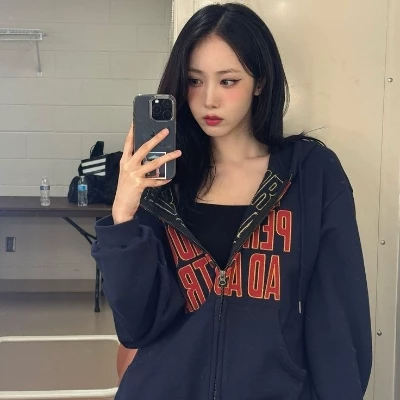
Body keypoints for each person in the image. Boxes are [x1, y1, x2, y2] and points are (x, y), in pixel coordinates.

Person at [91, 3, 372, 399]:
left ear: (260, 82)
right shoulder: (164, 179)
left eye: (228, 81)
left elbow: (340, 319)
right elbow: (137, 326)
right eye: (194, 80)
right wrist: (123, 215)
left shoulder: (310, 174)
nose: (209, 100)